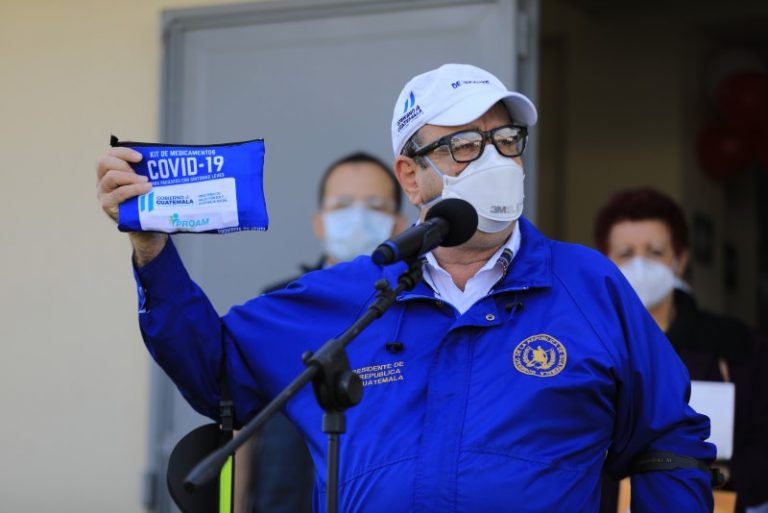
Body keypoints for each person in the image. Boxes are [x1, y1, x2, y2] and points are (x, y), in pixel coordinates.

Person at [97, 63, 716, 512]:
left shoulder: (589, 285)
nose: (494, 161)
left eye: (506, 141)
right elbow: (216, 372)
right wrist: (153, 252)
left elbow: (668, 443)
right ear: (411, 177)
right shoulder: (346, 296)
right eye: (464, 146)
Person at [244, 152, 406, 513]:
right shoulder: (279, 307)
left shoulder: (416, 310)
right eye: (343, 205)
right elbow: (241, 428)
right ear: (319, 222)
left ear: (399, 224)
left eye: (376, 206)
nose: (358, 217)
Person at [594, 187, 768, 513]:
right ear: (604, 262)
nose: (640, 265)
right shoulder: (583, 345)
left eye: (655, 252)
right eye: (626, 253)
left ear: (680, 259)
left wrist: (717, 474)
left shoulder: (736, 344)